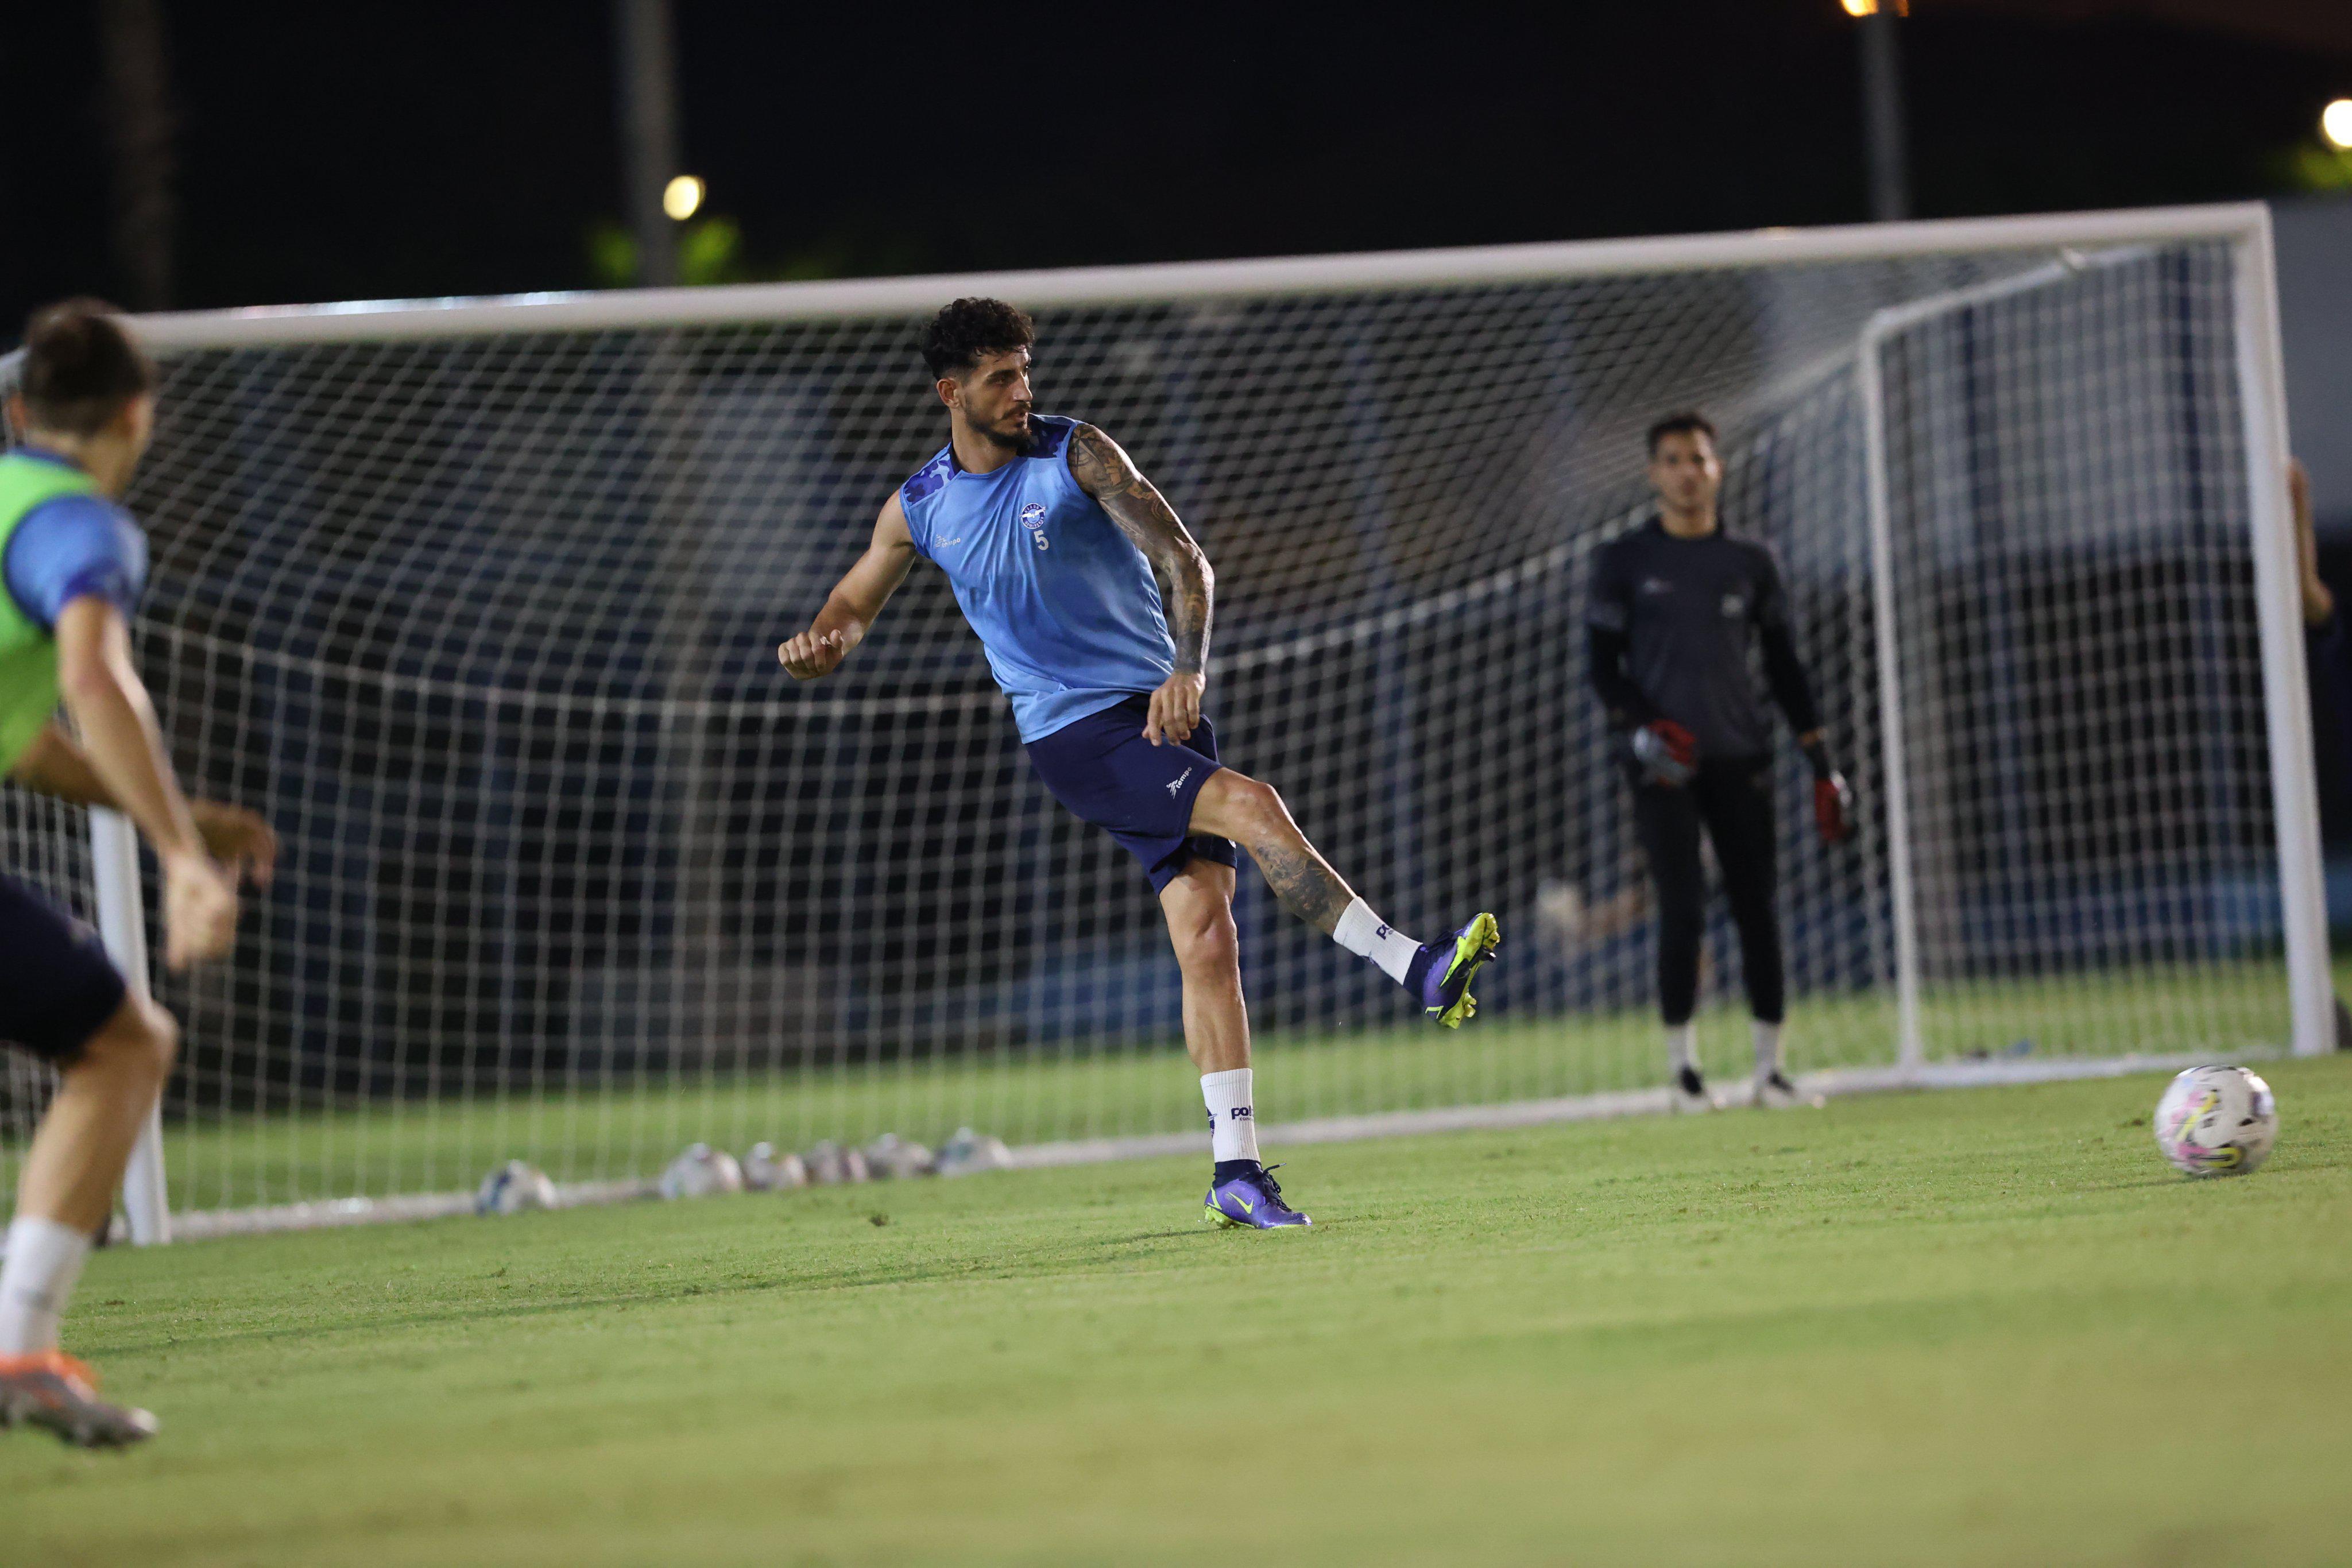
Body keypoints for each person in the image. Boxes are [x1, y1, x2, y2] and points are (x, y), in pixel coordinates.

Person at [779, 297, 1499, 1229]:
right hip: (1075, 735)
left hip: (1164, 715)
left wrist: (1186, 666)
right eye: (1000, 378)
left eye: (1025, 370)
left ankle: (1234, 1171)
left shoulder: (1078, 453)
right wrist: (824, 643)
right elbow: (851, 604)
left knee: (1207, 938)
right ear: (949, 392)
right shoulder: (920, 505)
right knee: (1251, 804)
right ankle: (1416, 969)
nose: (1021, 391)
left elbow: (1185, 561)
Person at [0, 300, 276, 1447]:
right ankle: (19, 1350)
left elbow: (20, 740)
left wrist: (184, 814)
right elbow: (97, 682)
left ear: (18, 412)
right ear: (135, 417)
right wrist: (178, 858)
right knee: (126, 1043)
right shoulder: (77, 526)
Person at [1587, 412, 1848, 1112]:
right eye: (1672, 459)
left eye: (1698, 458)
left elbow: (1787, 666)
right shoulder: (1625, 561)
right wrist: (1647, 726)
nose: (1687, 471)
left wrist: (1822, 762)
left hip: (1742, 755)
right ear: (1653, 473)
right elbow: (1601, 670)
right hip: (1663, 763)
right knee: (1682, 907)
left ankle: (1770, 1072)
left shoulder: (1750, 560)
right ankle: (1684, 1074)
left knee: (1757, 906)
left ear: (1717, 468)